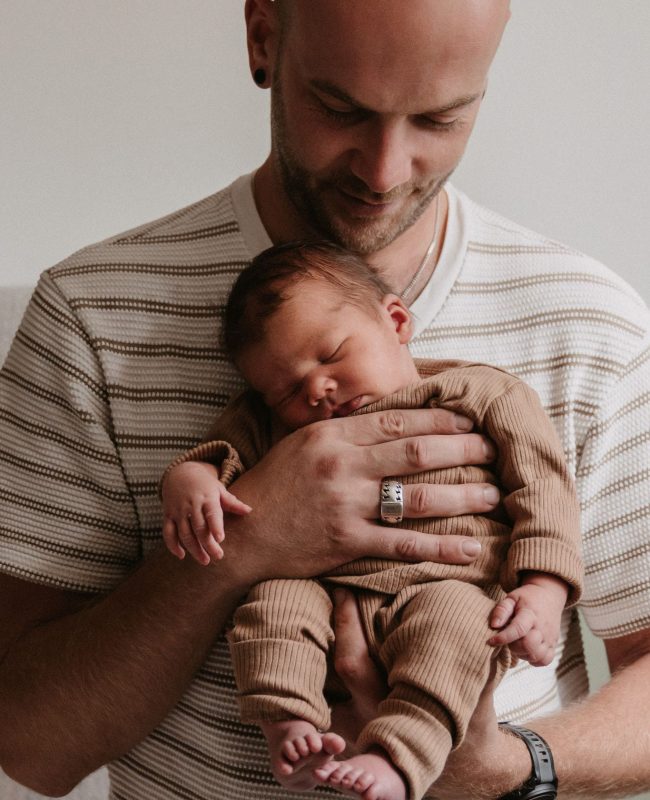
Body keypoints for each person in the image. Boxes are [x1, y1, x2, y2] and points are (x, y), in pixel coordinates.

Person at [0, 2, 649, 799]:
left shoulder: (590, 324)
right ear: (263, 36)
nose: (384, 171)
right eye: (340, 108)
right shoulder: (94, 315)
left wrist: (509, 767)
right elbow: (28, 745)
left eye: (440, 118)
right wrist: (243, 545)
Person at [160, 241, 583, 800]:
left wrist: (544, 591)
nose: (316, 390)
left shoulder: (482, 392)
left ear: (396, 319)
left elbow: (545, 492)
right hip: (324, 588)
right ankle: (290, 726)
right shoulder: (275, 425)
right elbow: (220, 455)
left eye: (331, 354)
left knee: (460, 632)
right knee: (271, 605)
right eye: (287, 390)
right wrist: (187, 481)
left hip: (448, 585)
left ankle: (398, 756)